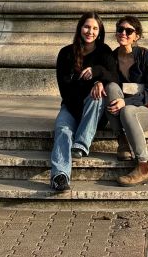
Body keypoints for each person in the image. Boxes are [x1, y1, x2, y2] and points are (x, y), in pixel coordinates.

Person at [50, 12, 116, 192]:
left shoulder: (104, 51)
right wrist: (90, 85)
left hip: (94, 113)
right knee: (62, 130)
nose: (90, 32)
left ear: (100, 32)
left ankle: (80, 145)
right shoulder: (66, 53)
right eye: (87, 27)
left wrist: (98, 76)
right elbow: (65, 89)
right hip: (72, 107)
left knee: (97, 96)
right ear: (80, 28)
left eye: (95, 28)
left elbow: (114, 77)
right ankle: (60, 175)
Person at [102, 15, 148, 187]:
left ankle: (144, 167)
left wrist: (126, 103)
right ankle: (123, 142)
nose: (123, 33)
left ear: (137, 36)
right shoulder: (112, 57)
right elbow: (106, 81)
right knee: (110, 87)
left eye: (129, 31)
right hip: (121, 113)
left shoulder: (147, 56)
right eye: (120, 29)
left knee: (128, 110)